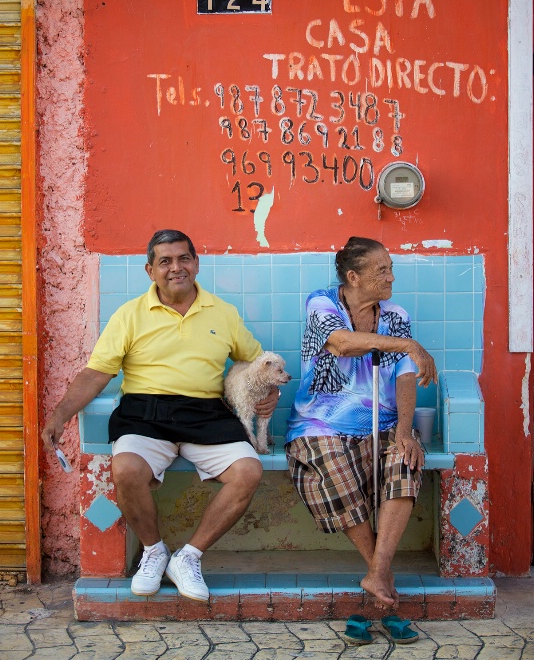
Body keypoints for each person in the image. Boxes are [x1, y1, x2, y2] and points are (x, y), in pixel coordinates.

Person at [42, 229, 279, 602]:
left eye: (184, 258)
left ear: (196, 263)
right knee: (125, 470)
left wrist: (272, 392)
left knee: (249, 471)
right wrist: (59, 415)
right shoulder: (130, 315)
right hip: (144, 413)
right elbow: (96, 373)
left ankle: (188, 558)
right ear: (149, 270)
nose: (176, 268)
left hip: (206, 414)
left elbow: (253, 361)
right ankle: (154, 551)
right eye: (165, 261)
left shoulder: (224, 313)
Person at [285, 236, 437, 609]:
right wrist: (408, 346)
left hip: (382, 420)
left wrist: (404, 431)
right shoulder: (321, 303)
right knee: (332, 469)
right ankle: (381, 572)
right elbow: (341, 344)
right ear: (353, 276)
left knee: (406, 460)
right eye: (381, 271)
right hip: (319, 421)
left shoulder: (395, 315)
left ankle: (377, 571)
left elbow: (404, 376)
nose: (391, 278)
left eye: (391, 268)